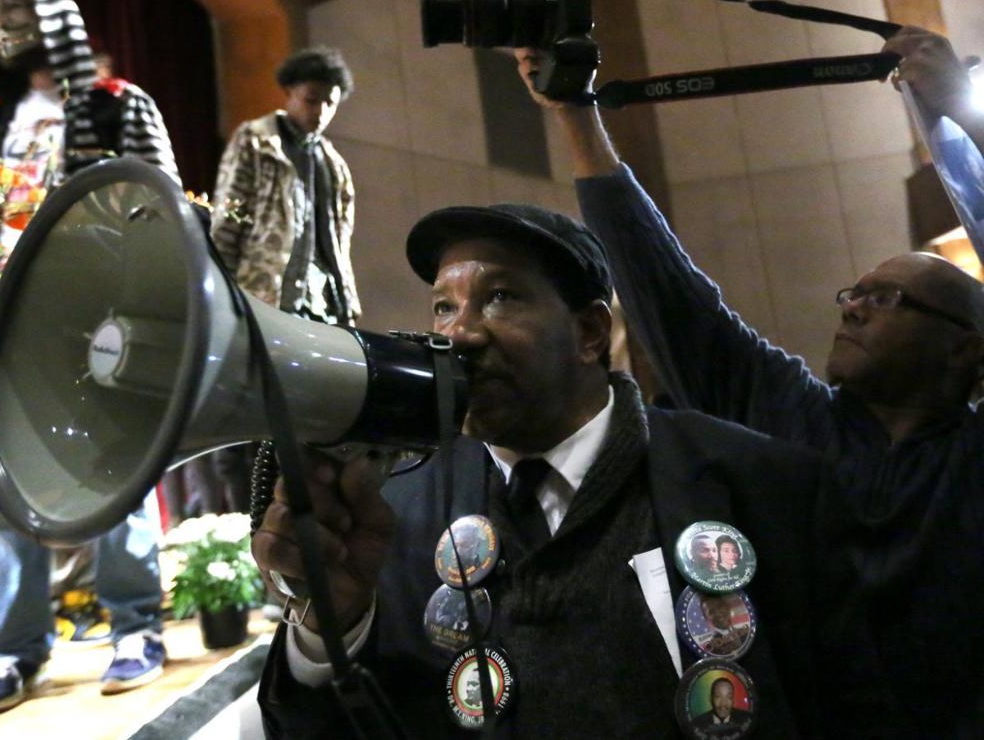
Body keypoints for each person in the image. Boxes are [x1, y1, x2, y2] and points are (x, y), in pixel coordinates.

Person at [522, 26, 984, 736]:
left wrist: (965, 112)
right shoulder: (796, 420)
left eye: (888, 297)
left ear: (965, 349)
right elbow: (675, 299)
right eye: (853, 292)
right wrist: (576, 115)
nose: (855, 304)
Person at [252, 202, 831, 737]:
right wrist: (331, 627)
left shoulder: (756, 482)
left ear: (589, 333)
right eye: (444, 307)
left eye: (500, 296)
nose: (460, 334)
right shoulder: (393, 511)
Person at [0, 0, 176, 716]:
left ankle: (137, 626)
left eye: (21, 10)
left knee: (119, 460)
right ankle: (16, 647)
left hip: (101, 315)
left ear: (59, 16)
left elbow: (165, 206)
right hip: (9, 318)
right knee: (8, 476)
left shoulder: (120, 106)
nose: (9, 24)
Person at [208, 47, 360, 514]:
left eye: (330, 102)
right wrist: (223, 295)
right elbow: (228, 221)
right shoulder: (257, 140)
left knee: (307, 426)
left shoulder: (333, 162)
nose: (321, 111)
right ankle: (251, 530)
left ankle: (297, 528)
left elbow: (340, 240)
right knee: (251, 424)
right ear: (291, 92)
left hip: (320, 308)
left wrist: (346, 303)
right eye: (313, 99)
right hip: (261, 299)